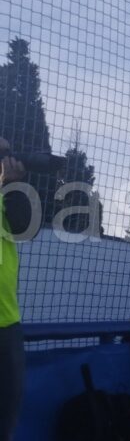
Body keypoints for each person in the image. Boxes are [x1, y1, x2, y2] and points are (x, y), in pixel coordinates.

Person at [1, 137, 35, 441]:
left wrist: (12, 185)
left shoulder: (6, 193)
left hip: (6, 324)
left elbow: (25, 227)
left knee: (5, 420)